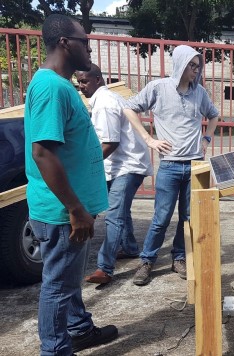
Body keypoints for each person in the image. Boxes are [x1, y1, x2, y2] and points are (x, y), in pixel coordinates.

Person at [24, 14, 118, 355]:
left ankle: (78, 329)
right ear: (65, 43)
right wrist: (76, 209)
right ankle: (55, 350)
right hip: (64, 213)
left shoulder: (59, 85)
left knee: (67, 280)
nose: (89, 47)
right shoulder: (51, 87)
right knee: (58, 287)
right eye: (85, 41)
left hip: (72, 210)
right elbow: (43, 153)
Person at [123, 45, 219, 286]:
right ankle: (147, 261)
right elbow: (128, 108)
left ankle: (179, 258)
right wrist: (149, 140)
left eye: (198, 66)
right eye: (192, 66)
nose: (196, 71)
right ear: (181, 64)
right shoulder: (159, 88)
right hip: (170, 166)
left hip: (195, 164)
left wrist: (206, 137)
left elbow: (214, 115)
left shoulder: (200, 93)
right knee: (161, 217)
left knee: (188, 217)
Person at [75, 64, 153, 285]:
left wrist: (87, 166)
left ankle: (104, 268)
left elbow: (110, 143)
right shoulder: (106, 99)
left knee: (113, 216)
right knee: (119, 210)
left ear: (98, 79)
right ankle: (129, 247)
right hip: (122, 165)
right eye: (78, 82)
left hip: (127, 166)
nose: (81, 87)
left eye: (84, 82)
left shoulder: (105, 104)